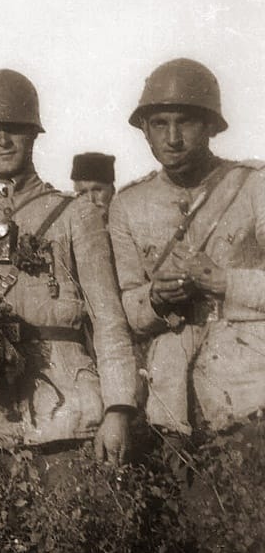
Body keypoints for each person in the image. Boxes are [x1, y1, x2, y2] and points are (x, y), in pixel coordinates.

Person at [0, 70, 137, 479]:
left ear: (34, 136)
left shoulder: (75, 215)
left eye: (16, 129)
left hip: (66, 416)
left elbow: (109, 318)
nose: (3, 141)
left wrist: (118, 408)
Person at [109, 58, 265, 459]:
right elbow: (126, 303)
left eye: (186, 122)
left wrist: (226, 282)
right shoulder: (128, 204)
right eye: (160, 124)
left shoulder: (252, 186)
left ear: (211, 125)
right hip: (170, 405)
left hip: (250, 397)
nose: (173, 137)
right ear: (144, 130)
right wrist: (156, 300)